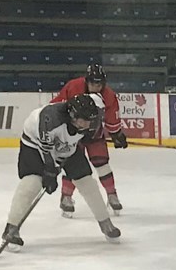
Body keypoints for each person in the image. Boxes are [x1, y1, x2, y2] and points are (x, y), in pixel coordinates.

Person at [0, 94, 120, 251]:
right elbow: (46, 149)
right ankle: (11, 228)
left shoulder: (89, 119)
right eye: (84, 120)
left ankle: (105, 223)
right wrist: (50, 172)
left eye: (91, 119)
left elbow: (83, 138)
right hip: (34, 144)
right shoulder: (50, 119)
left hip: (67, 147)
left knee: (86, 181)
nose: (88, 124)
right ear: (73, 115)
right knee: (32, 182)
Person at [50, 64, 127, 217]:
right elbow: (57, 106)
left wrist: (117, 135)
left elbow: (112, 118)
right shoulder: (73, 87)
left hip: (94, 134)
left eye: (99, 83)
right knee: (73, 166)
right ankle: (66, 196)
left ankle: (112, 195)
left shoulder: (109, 95)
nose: (96, 86)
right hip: (73, 134)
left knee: (102, 163)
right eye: (93, 83)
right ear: (87, 81)